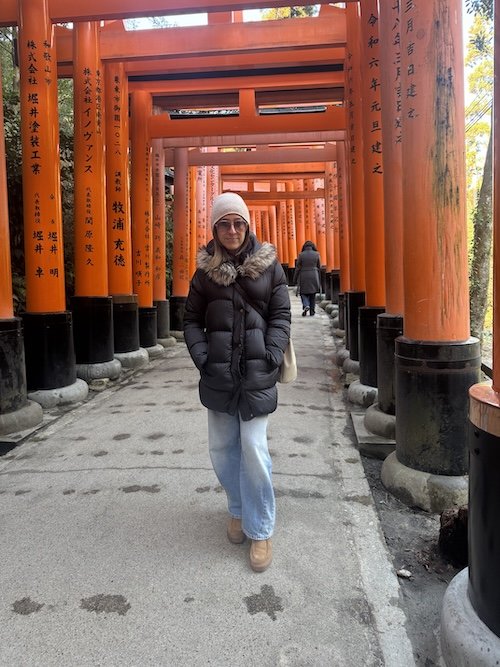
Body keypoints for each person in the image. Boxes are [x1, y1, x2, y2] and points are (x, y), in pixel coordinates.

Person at [183, 192, 291, 573]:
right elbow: (191, 320)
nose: (232, 230)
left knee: (254, 448)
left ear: (248, 226)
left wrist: (271, 355)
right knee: (222, 448)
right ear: (214, 228)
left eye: (238, 223)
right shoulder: (204, 273)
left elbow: (281, 316)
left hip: (257, 373)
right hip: (219, 375)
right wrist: (203, 358)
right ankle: (237, 508)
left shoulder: (271, 268)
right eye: (224, 223)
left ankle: (260, 528)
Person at [294, 240, 321, 316]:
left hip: (304, 275)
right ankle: (312, 312)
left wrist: (295, 278)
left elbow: (298, 268)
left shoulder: (301, 255)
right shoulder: (317, 254)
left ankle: (306, 305)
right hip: (314, 275)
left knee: (303, 293)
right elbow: (319, 266)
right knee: (313, 294)